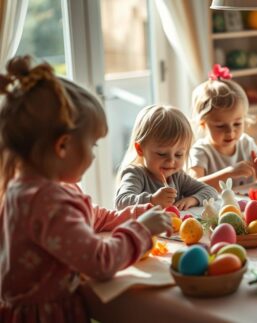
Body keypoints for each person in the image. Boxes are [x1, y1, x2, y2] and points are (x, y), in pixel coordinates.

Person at [0, 56, 172, 322]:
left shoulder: (29, 188)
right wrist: (143, 230)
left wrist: (143, 212)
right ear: (63, 146)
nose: (93, 156)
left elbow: (96, 218)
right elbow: (99, 261)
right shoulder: (47, 201)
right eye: (92, 145)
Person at [189, 64, 257, 191]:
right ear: (203, 124)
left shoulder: (246, 144)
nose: (230, 132)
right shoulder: (201, 152)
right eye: (220, 126)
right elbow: (192, 187)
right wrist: (229, 173)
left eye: (237, 124)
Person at [115, 105, 217, 210]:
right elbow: (121, 202)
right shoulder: (136, 174)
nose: (171, 161)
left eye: (178, 155)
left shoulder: (177, 176)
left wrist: (192, 199)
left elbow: (211, 191)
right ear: (140, 149)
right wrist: (152, 200)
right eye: (162, 154)